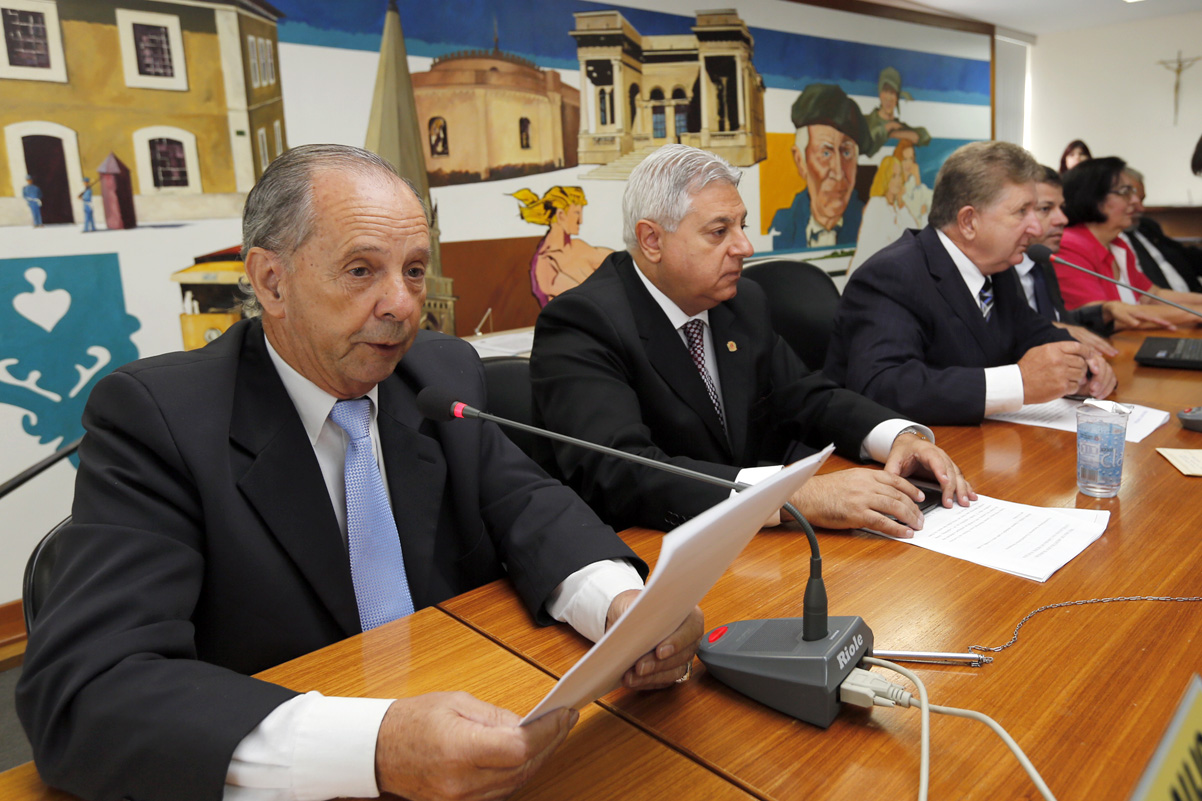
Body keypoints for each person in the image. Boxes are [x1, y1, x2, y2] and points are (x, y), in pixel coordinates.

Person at [17, 145, 702, 801]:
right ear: (271, 281)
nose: (402, 304)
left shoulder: (436, 372)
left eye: (412, 270)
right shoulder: (158, 417)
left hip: (470, 717)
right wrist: (376, 747)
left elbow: (529, 504)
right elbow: (90, 689)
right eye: (360, 270)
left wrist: (621, 605)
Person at [531, 143, 974, 541]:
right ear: (651, 240)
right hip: (655, 553)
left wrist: (897, 436)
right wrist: (790, 494)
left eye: (741, 225)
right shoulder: (583, 321)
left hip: (756, 550)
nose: (745, 246)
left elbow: (806, 396)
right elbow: (622, 472)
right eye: (719, 231)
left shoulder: (741, 302)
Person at [824, 141, 1117, 427]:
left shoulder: (997, 268)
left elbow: (1034, 334)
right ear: (968, 221)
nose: (1037, 228)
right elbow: (883, 386)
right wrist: (1019, 383)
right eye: (1021, 212)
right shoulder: (892, 275)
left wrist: (1083, 366)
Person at [1012, 166, 1173, 349]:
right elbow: (1009, 334)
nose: (1063, 219)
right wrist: (1050, 329)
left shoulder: (1042, 263)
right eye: (1046, 209)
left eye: (1061, 208)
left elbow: (1061, 319)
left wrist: (1103, 311)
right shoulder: (1002, 270)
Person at [1057, 157, 1202, 325]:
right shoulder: (1068, 247)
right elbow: (1104, 319)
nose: (1135, 201)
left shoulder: (1117, 244)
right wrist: (1194, 314)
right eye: (1125, 192)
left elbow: (1152, 295)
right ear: (1093, 197)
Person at [770, 83, 868, 250]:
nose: (838, 172)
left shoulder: (869, 224)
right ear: (801, 161)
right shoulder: (783, 226)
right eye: (826, 153)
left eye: (846, 153)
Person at [512, 185, 613, 306]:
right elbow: (589, 299)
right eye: (577, 213)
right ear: (560, 215)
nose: (580, 220)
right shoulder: (546, 264)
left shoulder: (578, 246)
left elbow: (621, 261)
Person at [1122, 168, 1202, 293]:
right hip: (1165, 308)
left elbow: (1185, 255)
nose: (1141, 209)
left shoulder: (1147, 226)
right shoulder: (1112, 241)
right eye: (1133, 203)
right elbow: (1150, 297)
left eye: (1141, 200)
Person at [849, 155, 919, 274]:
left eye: (899, 176)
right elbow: (883, 243)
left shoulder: (896, 207)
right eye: (893, 176)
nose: (898, 181)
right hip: (869, 275)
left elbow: (915, 234)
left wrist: (902, 204)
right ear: (885, 178)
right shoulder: (876, 204)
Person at [862, 67, 931, 159]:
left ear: (897, 97)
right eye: (885, 91)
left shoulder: (899, 126)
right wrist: (888, 127)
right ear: (880, 94)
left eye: (892, 93)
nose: (888, 98)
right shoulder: (865, 121)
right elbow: (868, 147)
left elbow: (923, 136)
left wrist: (892, 133)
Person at [895, 139, 932, 228]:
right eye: (905, 159)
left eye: (911, 159)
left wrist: (917, 181)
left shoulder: (917, 186)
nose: (908, 163)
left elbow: (931, 202)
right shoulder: (895, 188)